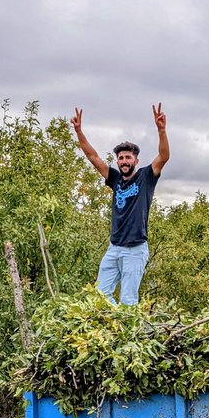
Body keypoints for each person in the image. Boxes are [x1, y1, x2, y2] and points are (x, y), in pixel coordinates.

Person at [72, 104, 170, 305]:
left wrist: (161, 130)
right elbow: (93, 157)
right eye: (121, 158)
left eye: (128, 157)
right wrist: (79, 132)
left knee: (128, 299)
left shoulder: (146, 177)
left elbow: (164, 156)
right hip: (114, 248)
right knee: (100, 297)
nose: (124, 161)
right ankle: (114, 329)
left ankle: (127, 334)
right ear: (117, 161)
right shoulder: (115, 178)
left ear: (136, 159)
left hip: (135, 249)